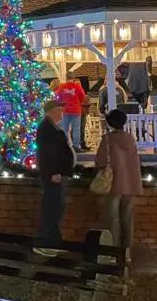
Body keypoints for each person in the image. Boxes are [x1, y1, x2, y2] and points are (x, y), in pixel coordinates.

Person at [94, 109, 143, 258]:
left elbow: (100, 161)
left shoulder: (107, 139)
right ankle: (126, 253)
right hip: (130, 184)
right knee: (127, 220)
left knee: (113, 220)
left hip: (113, 185)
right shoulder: (130, 138)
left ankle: (113, 253)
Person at [35, 98, 75, 256]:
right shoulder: (47, 129)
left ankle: (54, 240)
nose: (62, 112)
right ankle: (44, 241)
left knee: (56, 207)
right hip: (54, 176)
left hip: (58, 174)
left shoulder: (50, 127)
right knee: (52, 207)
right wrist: (54, 172)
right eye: (60, 109)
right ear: (51, 111)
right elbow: (48, 153)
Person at [52, 77, 86, 151]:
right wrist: (78, 102)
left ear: (66, 77)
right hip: (76, 110)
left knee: (65, 129)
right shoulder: (77, 86)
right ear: (73, 78)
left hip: (65, 110)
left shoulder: (62, 86)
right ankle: (76, 146)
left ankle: (66, 145)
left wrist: (63, 103)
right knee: (76, 128)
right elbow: (82, 95)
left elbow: (58, 97)